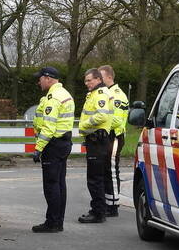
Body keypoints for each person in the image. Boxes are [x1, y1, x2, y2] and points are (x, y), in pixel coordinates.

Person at [31, 66, 75, 232]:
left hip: (53, 145)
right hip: (63, 143)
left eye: (40, 78)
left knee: (51, 185)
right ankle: (58, 222)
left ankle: (52, 223)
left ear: (48, 78)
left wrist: (38, 148)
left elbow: (49, 128)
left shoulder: (54, 98)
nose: (38, 81)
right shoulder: (64, 94)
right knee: (59, 184)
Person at [78, 68, 114, 223]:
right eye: (85, 81)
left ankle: (98, 212)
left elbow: (102, 115)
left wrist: (85, 125)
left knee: (95, 178)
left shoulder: (100, 95)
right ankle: (99, 210)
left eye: (89, 80)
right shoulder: (93, 94)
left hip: (97, 140)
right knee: (96, 177)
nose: (87, 83)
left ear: (99, 79)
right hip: (95, 140)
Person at [99, 65, 128, 217]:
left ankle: (114, 205)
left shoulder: (117, 95)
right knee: (105, 170)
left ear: (109, 77)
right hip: (107, 136)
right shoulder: (107, 93)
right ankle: (107, 202)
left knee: (111, 170)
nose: (99, 80)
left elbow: (116, 120)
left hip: (114, 137)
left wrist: (99, 124)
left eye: (101, 77)